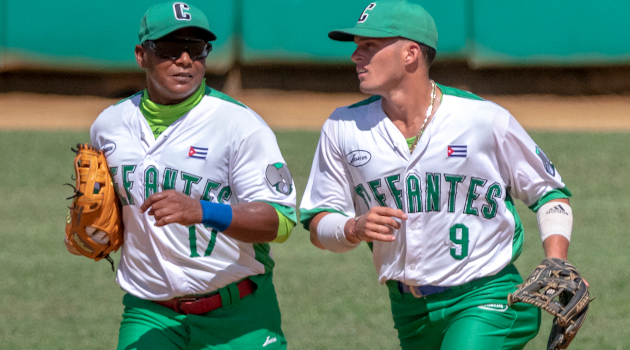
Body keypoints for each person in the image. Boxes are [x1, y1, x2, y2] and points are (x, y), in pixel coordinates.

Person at [299, 1, 576, 349]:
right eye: (356, 46)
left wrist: (556, 259)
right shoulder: (343, 127)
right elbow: (317, 224)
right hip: (409, 311)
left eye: (369, 46)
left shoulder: (482, 119)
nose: (356, 55)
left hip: (488, 297)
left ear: (410, 53)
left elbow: (550, 192)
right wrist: (352, 227)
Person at [65, 2, 296, 349]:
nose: (186, 60)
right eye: (172, 48)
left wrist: (204, 211)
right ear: (142, 55)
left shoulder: (239, 125)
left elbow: (280, 221)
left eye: (197, 49)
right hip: (149, 312)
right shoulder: (109, 126)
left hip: (238, 313)